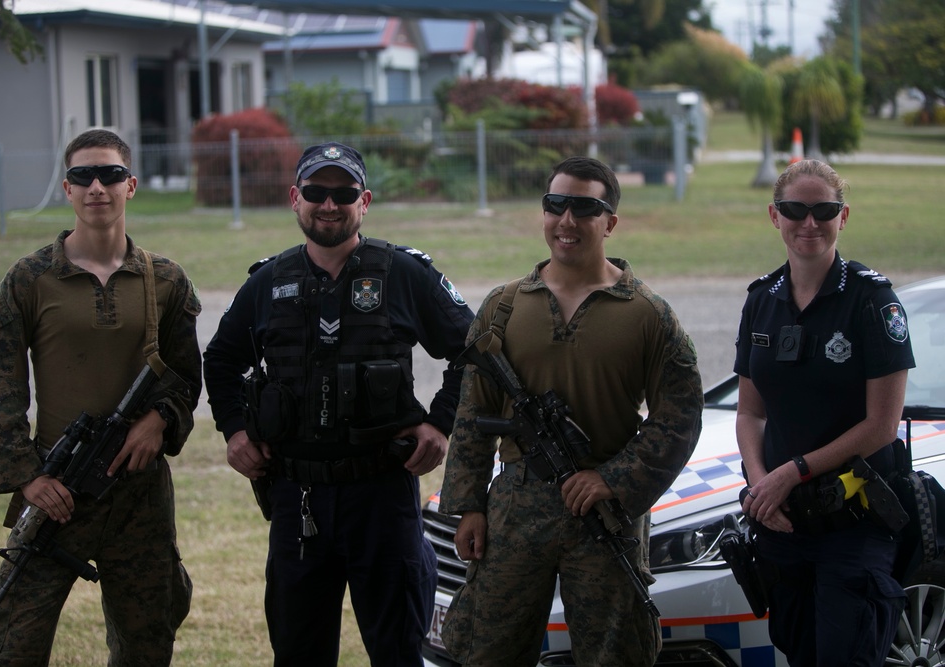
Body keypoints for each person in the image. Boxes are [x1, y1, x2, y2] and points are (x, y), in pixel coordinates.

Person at [202, 141, 474, 666]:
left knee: (398, 650)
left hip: (382, 495)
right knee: (300, 653)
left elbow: (474, 350)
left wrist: (441, 424)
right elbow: (219, 360)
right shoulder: (266, 283)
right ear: (295, 198)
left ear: (364, 201)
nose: (329, 204)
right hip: (296, 499)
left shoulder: (404, 275)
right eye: (316, 192)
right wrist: (234, 429)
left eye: (344, 192)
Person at [439, 156, 704, 666]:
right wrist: (469, 505)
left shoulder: (647, 314)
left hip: (603, 515)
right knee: (487, 651)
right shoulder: (505, 306)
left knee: (614, 654)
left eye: (584, 208)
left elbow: (680, 418)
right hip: (514, 510)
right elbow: (473, 415)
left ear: (610, 222)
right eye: (555, 205)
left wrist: (612, 479)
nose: (566, 221)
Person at [0, 129, 202, 664]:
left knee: (146, 643)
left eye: (110, 175)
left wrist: (160, 422)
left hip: (139, 494)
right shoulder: (29, 280)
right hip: (59, 489)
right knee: (15, 642)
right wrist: (29, 476)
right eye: (83, 176)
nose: (97, 186)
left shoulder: (165, 279)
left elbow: (187, 375)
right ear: (67, 189)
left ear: (131, 186)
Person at [734, 159, 914, 666]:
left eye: (824, 210)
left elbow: (881, 425)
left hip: (851, 526)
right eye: (795, 209)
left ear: (844, 216)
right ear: (775, 215)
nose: (809, 223)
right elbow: (750, 413)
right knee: (799, 653)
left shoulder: (872, 302)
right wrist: (761, 484)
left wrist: (791, 473)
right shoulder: (760, 301)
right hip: (782, 525)